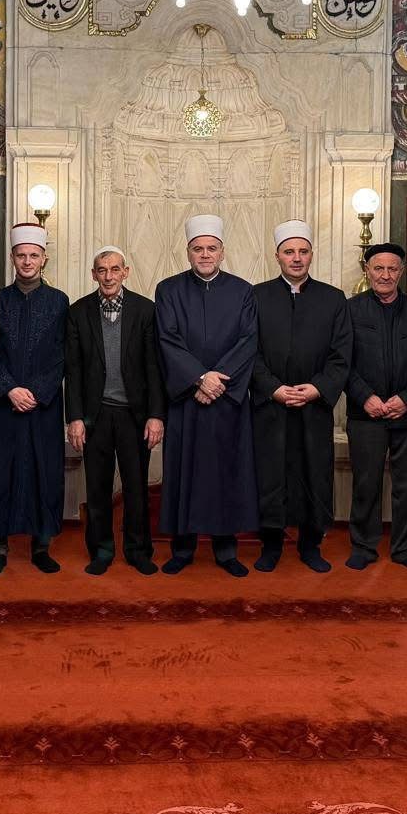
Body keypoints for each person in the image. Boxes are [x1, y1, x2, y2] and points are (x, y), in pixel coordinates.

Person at [154, 214, 259, 577]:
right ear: (188, 252)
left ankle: (226, 551)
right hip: (187, 399)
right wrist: (199, 378)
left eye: (211, 248)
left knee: (226, 474)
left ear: (222, 252)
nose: (205, 254)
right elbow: (167, 339)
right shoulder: (168, 290)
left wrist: (216, 382)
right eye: (198, 248)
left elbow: (248, 341)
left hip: (226, 401)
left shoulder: (243, 291)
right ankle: (182, 550)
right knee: (183, 473)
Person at [249, 221, 351, 573]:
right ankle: (271, 545)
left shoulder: (333, 299)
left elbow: (341, 355)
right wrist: (272, 388)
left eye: (303, 251)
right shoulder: (256, 296)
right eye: (289, 252)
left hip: (313, 407)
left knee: (314, 475)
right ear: (276, 256)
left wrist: (318, 388)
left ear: (311, 255)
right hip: (271, 406)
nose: (296, 258)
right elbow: (249, 351)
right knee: (270, 475)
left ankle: (311, 545)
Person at [0, 224, 70, 576]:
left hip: (43, 406)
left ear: (44, 259)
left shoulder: (59, 301)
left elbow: (62, 353)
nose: (27, 261)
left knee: (43, 472)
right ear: (12, 258)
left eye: (34, 255)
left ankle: (41, 546)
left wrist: (38, 392)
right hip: (2, 405)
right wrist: (9, 389)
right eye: (21, 255)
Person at [65, 245, 165, 576]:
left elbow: (155, 367)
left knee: (136, 488)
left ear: (126, 272)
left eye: (115, 269)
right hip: (95, 416)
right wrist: (75, 417)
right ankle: (101, 551)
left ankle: (138, 551)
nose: (108, 276)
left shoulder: (146, 310)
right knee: (97, 488)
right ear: (94, 274)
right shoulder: (78, 312)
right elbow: (73, 370)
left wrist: (156, 415)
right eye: (102, 270)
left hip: (135, 415)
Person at [343, 242, 407, 571]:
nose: (385, 275)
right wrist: (365, 397)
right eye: (378, 268)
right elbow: (341, 362)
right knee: (366, 484)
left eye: (392, 269)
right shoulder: (349, 311)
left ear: (401, 272)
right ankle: (363, 547)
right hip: (365, 414)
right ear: (367, 270)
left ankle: (405, 550)